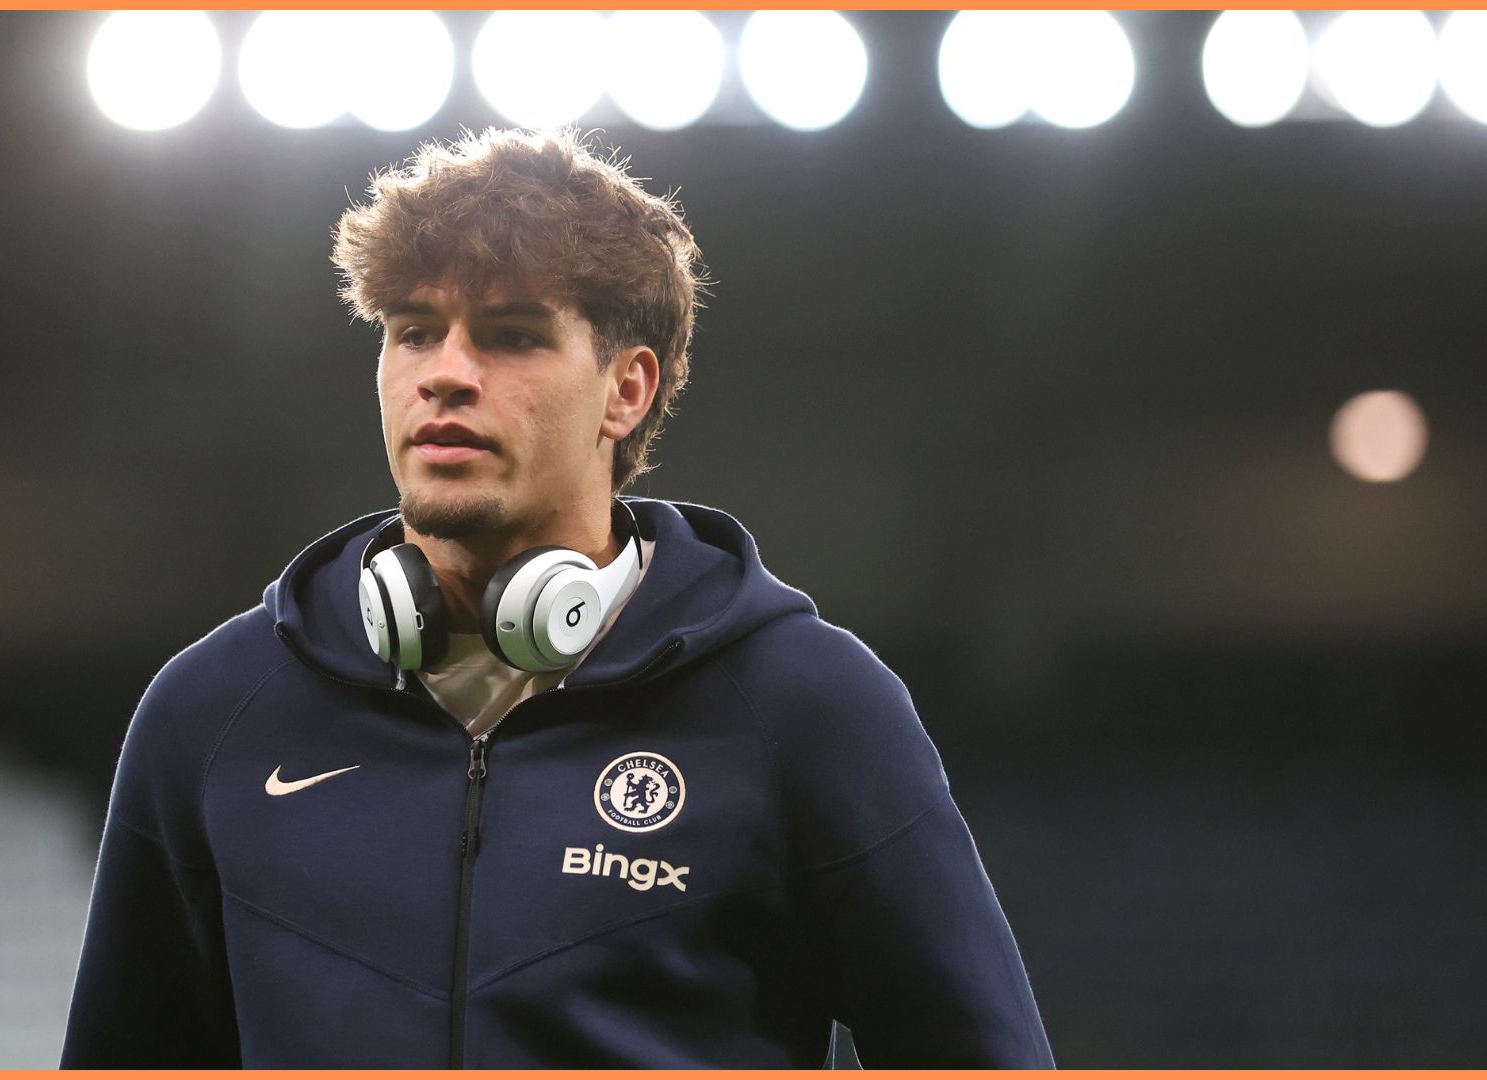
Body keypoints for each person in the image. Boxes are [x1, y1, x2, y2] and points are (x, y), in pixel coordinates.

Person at [60, 128, 1053, 1069]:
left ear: (626, 391)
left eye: (510, 336)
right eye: (414, 332)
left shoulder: (809, 703)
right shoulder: (214, 710)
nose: (445, 374)